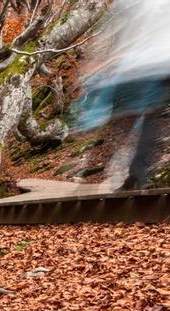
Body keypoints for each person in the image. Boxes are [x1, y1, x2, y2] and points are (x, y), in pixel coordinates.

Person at [72, 0, 170, 190]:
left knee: (124, 119)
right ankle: (137, 173)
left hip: (131, 65)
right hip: (160, 64)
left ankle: (117, 166)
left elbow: (108, 30)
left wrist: (95, 65)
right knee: (150, 118)